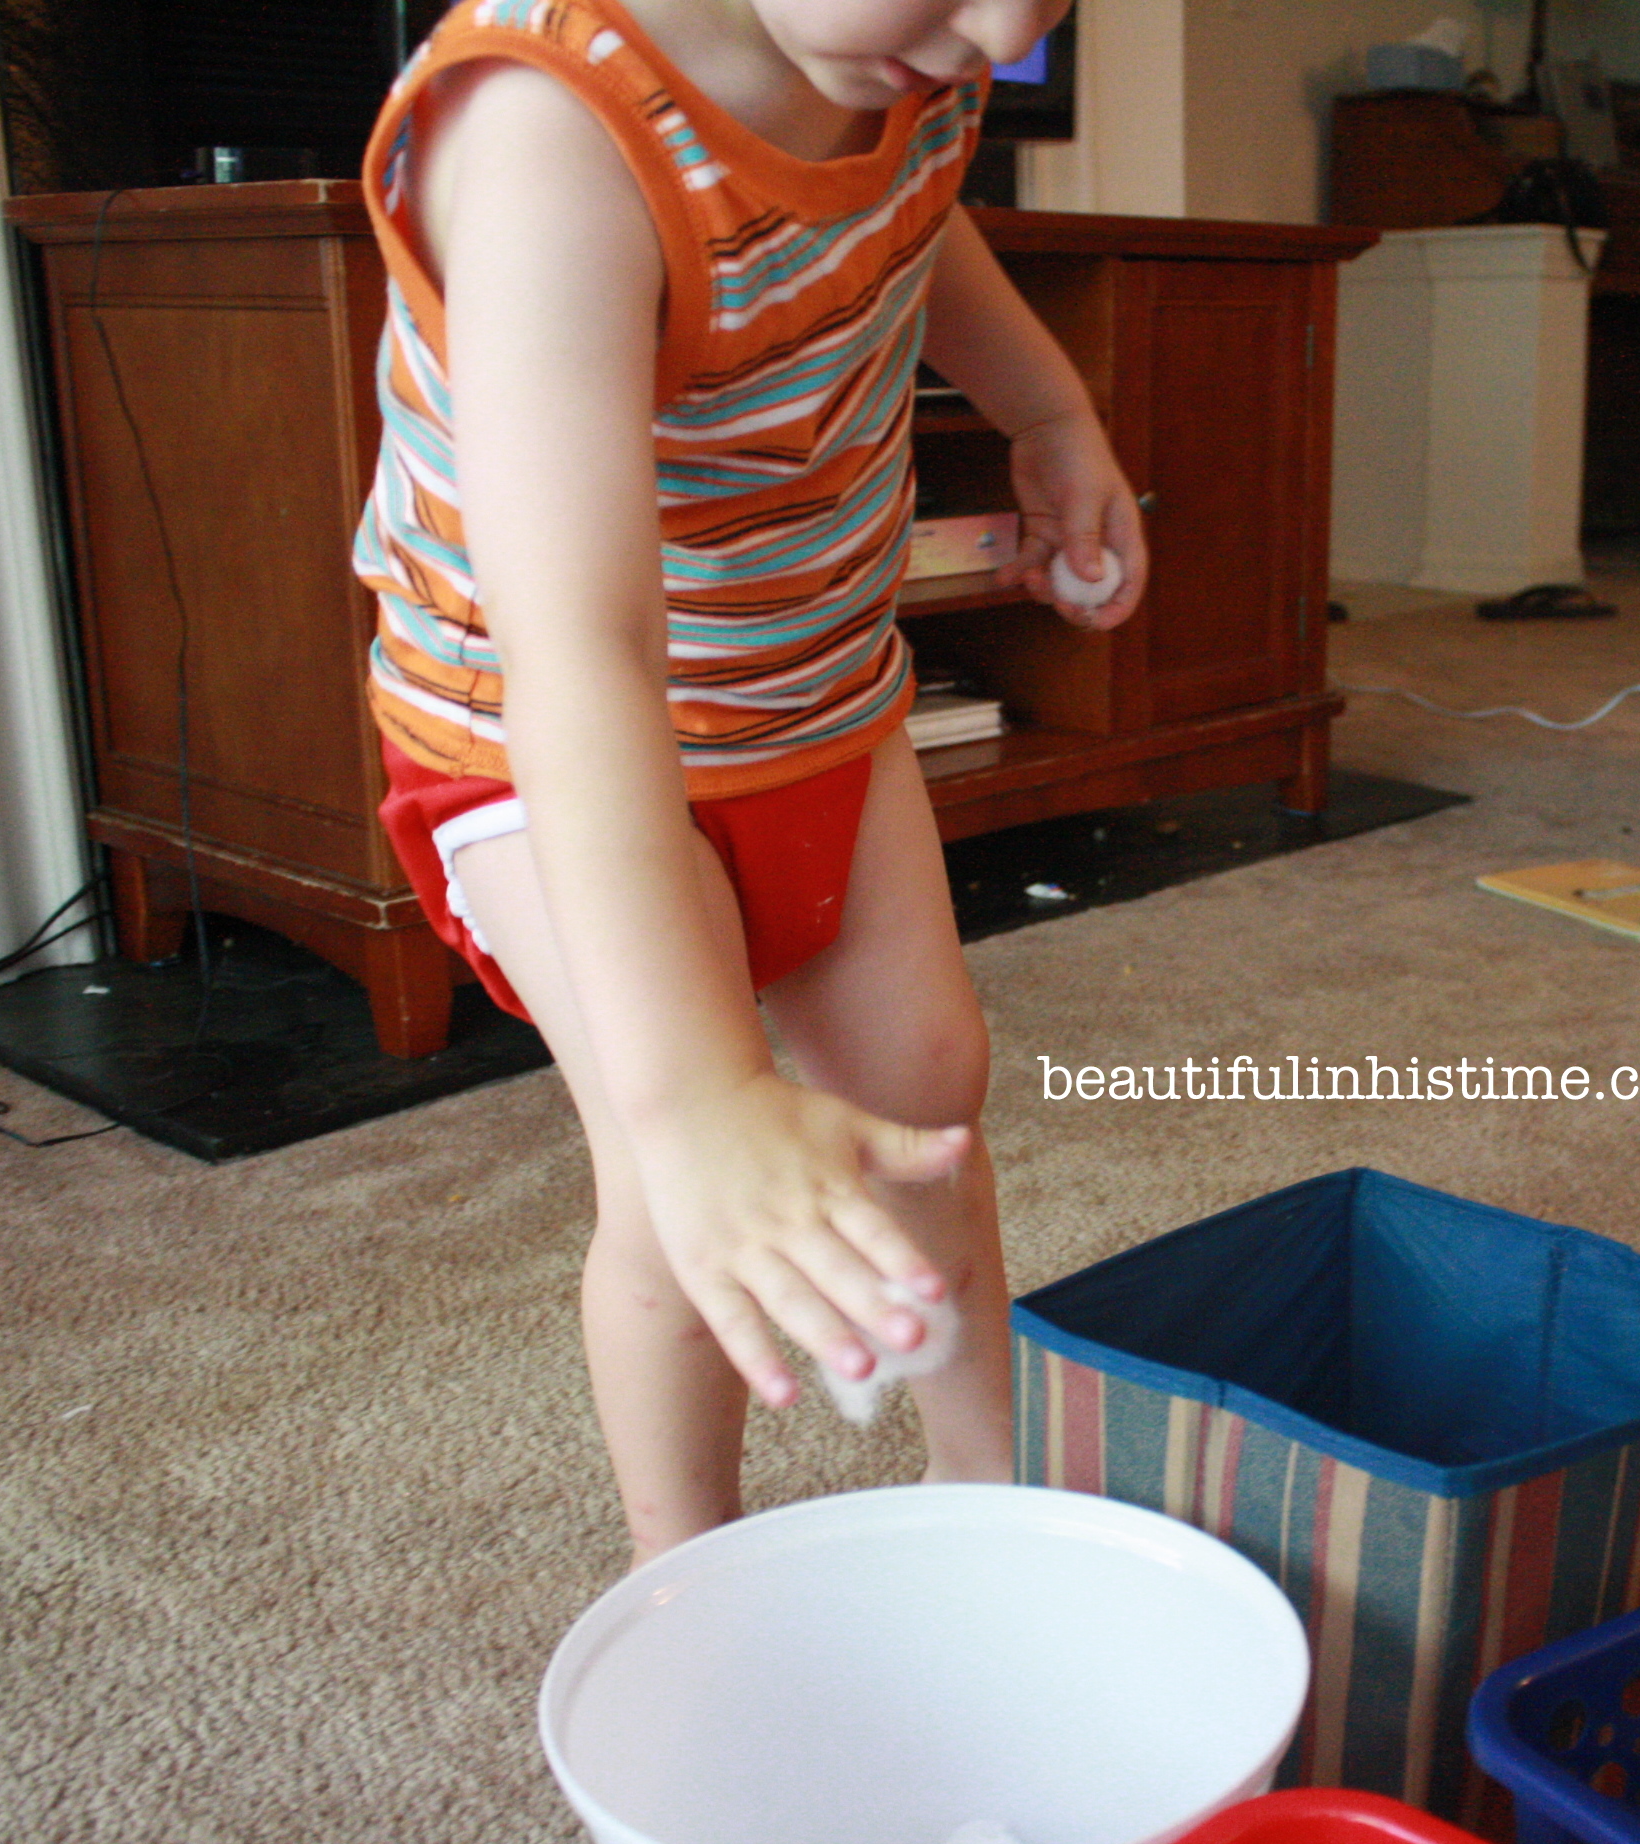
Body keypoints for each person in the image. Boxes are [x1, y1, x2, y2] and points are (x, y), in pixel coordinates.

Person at [351, 0, 1144, 1567]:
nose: (1002, 31)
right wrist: (700, 1096)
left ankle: (985, 1501)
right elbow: (580, 646)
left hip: (819, 696)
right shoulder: (544, 138)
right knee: (676, 1176)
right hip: (544, 732)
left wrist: (1049, 411)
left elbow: (911, 229)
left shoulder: (899, 64)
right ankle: (685, 1572)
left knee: (923, 1093)